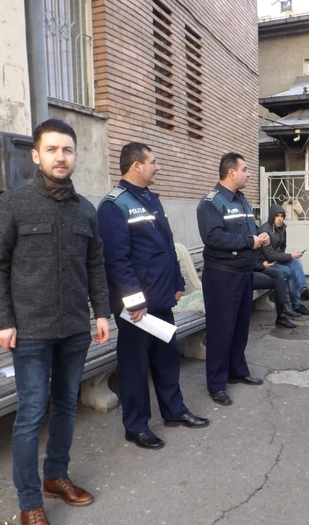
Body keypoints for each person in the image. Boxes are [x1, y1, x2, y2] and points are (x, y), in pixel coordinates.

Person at [0, 119, 111, 525]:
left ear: (75, 156)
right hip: (31, 331)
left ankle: (56, 476)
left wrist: (102, 312)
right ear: (36, 155)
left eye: (68, 150)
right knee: (32, 412)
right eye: (53, 149)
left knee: (67, 408)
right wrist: (3, 320)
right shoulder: (12, 205)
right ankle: (28, 501)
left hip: (74, 328)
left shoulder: (86, 211)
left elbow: (95, 267)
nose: (61, 156)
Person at [97, 143, 208, 451]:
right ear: (136, 166)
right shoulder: (113, 205)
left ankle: (174, 412)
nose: (158, 167)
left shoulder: (149, 200)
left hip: (160, 299)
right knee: (134, 367)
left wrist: (176, 282)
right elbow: (116, 260)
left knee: (167, 358)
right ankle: (136, 426)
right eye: (154, 162)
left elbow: (166, 247)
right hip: (137, 308)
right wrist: (134, 303)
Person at [196, 153, 268, 406]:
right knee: (220, 330)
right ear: (231, 173)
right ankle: (217, 384)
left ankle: (237, 371)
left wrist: (260, 235)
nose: (249, 173)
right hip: (222, 276)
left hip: (243, 273)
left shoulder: (242, 201)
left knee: (239, 327)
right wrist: (251, 241)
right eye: (245, 169)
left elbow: (251, 230)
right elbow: (213, 238)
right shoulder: (212, 203)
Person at [259, 204, 309, 315]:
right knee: (289, 270)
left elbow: (283, 246)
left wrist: (286, 258)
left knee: (296, 262)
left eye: (282, 216)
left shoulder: (282, 228)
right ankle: (296, 304)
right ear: (272, 216)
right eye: (277, 216)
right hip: (266, 263)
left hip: (276, 259)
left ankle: (303, 292)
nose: (280, 219)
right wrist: (289, 256)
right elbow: (270, 256)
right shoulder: (264, 231)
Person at [253, 261, 299, 328]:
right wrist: (261, 265)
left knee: (278, 273)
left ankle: (283, 312)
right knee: (278, 282)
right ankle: (283, 314)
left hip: (257, 267)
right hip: (245, 272)